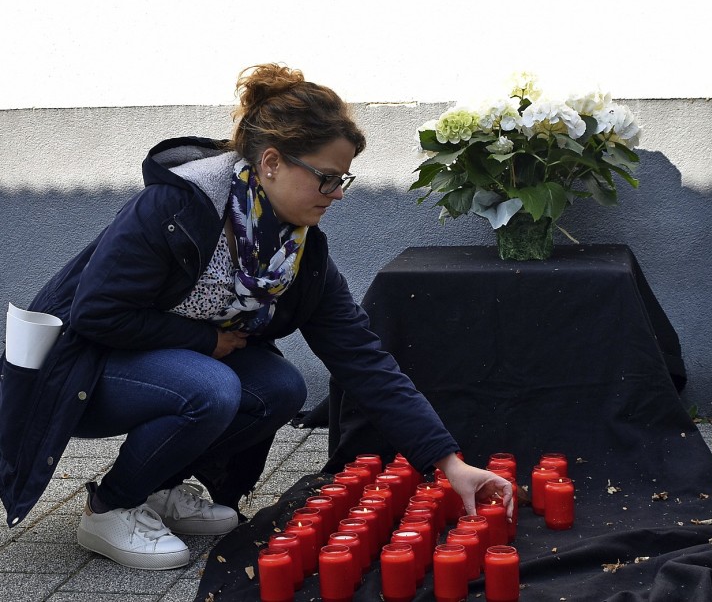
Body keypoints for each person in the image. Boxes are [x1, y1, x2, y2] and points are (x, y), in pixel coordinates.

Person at [0, 63, 512, 571]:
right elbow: (95, 314)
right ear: (271, 162)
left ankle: (155, 490)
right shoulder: (175, 207)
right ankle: (108, 509)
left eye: (345, 180)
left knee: (279, 388)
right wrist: (207, 342)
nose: (337, 194)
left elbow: (361, 357)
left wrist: (448, 463)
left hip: (166, 366)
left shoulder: (297, 249)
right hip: (85, 372)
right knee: (213, 387)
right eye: (327, 178)